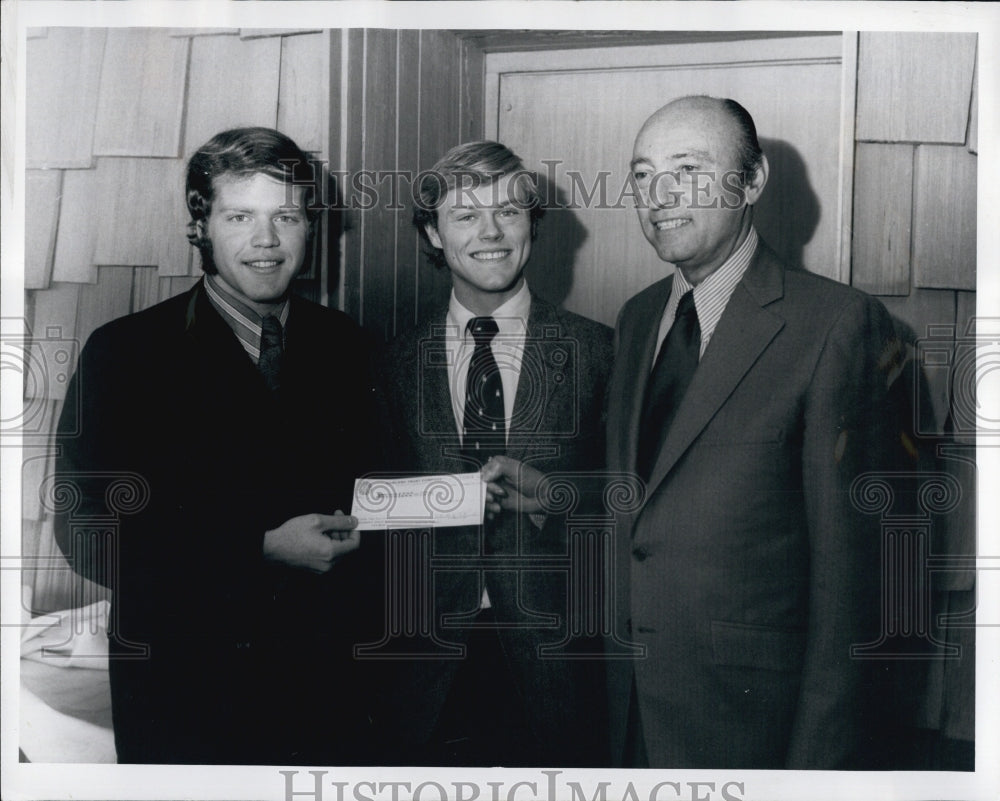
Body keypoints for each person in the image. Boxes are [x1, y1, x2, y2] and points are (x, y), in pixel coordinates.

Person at [486, 96, 907, 769]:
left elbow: (853, 590)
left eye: (687, 169)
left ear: (753, 181)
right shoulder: (638, 315)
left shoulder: (837, 325)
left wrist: (813, 777)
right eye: (643, 175)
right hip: (628, 705)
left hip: (750, 727)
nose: (658, 196)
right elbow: (658, 500)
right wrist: (555, 494)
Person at [53, 127, 378, 764]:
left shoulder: (350, 346)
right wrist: (258, 548)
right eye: (239, 217)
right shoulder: (123, 355)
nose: (266, 240)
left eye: (286, 215)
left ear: (311, 227)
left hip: (328, 698)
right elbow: (87, 534)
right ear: (198, 227)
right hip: (187, 705)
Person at [373, 141, 612, 766]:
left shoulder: (603, 353)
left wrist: (560, 495)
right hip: (421, 676)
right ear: (432, 231)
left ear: (533, 224)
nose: (491, 232)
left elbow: (643, 497)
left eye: (508, 211)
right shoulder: (389, 364)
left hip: (561, 670)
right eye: (465, 215)